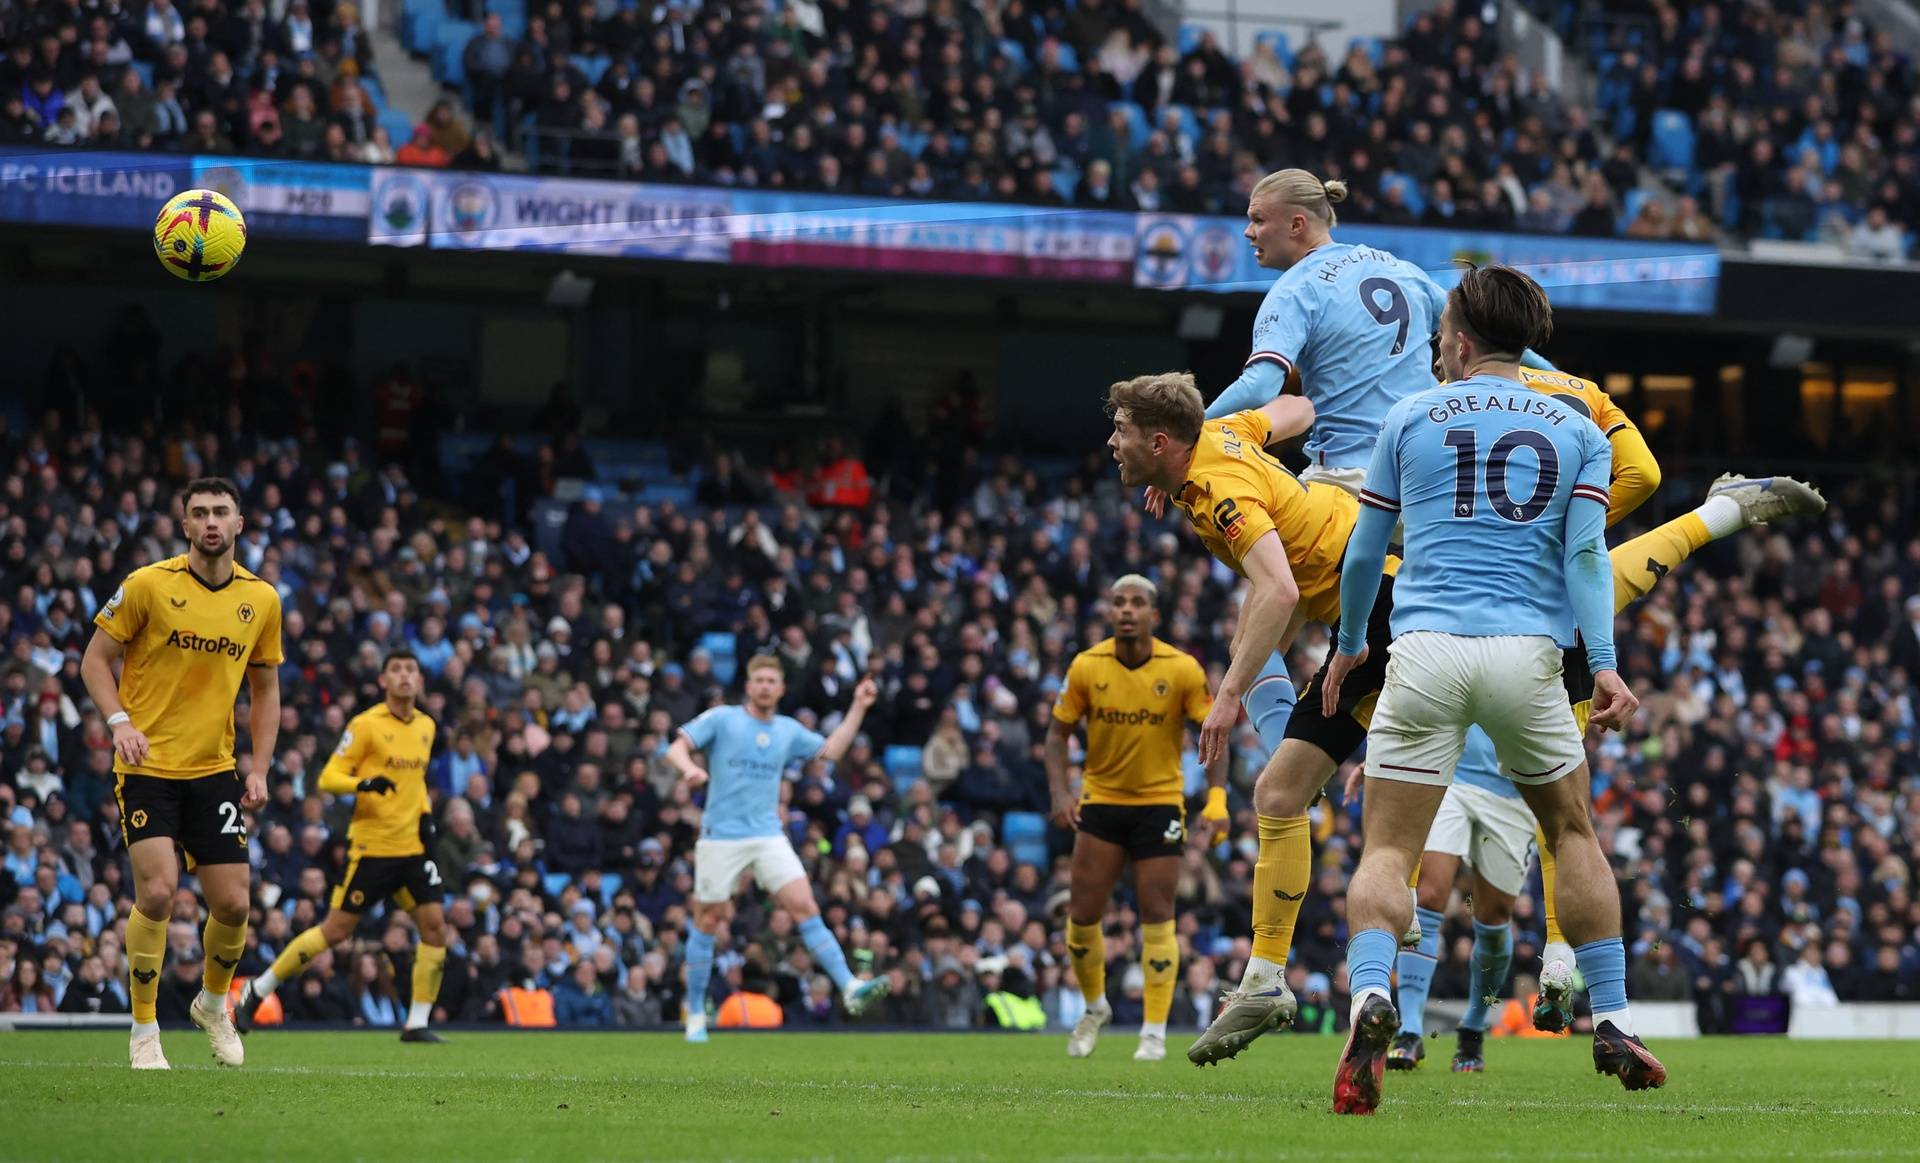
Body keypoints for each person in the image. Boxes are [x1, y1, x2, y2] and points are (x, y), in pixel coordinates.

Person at [1382, 362, 1825, 1071]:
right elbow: (1641, 476)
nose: (1440, 358)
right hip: (1513, 637)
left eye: (1443, 345)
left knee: (1547, 846)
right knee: (1454, 875)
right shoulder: (1575, 397)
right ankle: (1431, 1019)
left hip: (1510, 621)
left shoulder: (1436, 407)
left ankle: (1523, 989)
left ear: (1461, 342)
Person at [1321, 264, 1665, 1114]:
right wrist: (1609, 660)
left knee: (1388, 853)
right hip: (1527, 655)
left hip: (1427, 647)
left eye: (1441, 330)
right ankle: (1613, 1016)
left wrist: (1347, 644)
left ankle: (1374, 994)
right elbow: (1587, 559)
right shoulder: (1579, 425)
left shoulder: (1409, 414)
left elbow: (1365, 555)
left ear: (1463, 338)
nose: (1437, 342)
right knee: (1572, 830)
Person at [79, 476, 282, 1070]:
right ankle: (145, 1029)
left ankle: (213, 1006)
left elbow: (265, 687)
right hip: (146, 766)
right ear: (185, 524)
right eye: (200, 513)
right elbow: (94, 660)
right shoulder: (148, 585)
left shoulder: (261, 600)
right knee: (161, 893)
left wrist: (260, 767)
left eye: (222, 511)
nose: (211, 521)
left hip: (214, 769)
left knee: (235, 905)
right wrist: (119, 721)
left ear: (240, 523)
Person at [664, 656, 888, 1043]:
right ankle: (697, 1011)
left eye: (772, 680)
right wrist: (689, 769)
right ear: (749, 686)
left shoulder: (787, 730)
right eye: (759, 680)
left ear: (781, 689)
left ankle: (849, 986)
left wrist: (859, 706)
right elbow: (675, 748)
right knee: (708, 920)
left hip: (768, 834)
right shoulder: (723, 719)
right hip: (721, 835)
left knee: (805, 906)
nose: (765, 686)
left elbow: (831, 751)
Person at [1045, 574, 1220, 1062]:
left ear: (1154, 615)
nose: (1126, 610)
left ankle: (1154, 1031)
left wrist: (1218, 796)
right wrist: (1061, 792)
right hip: (1100, 801)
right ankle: (1094, 1006)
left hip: (1160, 803)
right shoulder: (1086, 666)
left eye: (1137, 603)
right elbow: (1056, 736)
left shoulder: (1182, 669)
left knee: (1158, 916)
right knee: (1081, 916)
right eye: (1118, 601)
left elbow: (1213, 730)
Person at [233, 650, 450, 1043]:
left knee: (435, 928)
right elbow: (328, 778)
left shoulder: (426, 727)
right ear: (383, 680)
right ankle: (258, 989)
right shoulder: (365, 725)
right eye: (396, 670)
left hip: (413, 849)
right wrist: (363, 784)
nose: (404, 676)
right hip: (373, 849)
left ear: (419, 680)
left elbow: (417, 787)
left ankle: (417, 1023)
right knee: (335, 931)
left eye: (411, 670)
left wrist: (428, 831)